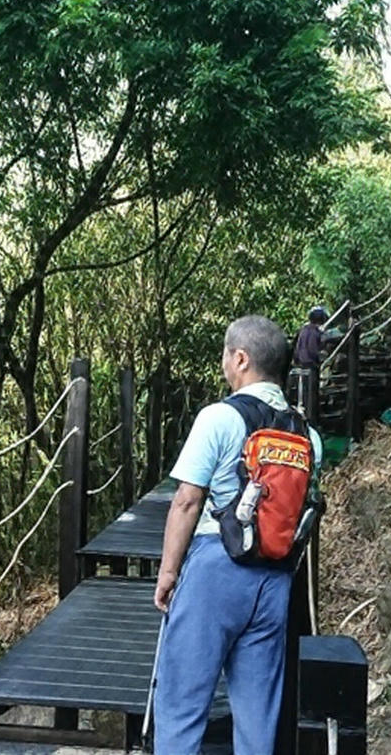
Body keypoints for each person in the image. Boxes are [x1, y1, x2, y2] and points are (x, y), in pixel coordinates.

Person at [153, 315, 323, 755]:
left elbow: (187, 501)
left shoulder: (218, 418)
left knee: (183, 699)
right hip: (275, 578)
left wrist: (168, 572)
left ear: (241, 358)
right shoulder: (309, 435)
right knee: (257, 709)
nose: (225, 364)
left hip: (216, 566)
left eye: (227, 355)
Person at [292, 305, 328, 371]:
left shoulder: (302, 330)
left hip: (299, 364)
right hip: (311, 365)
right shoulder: (316, 332)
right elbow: (313, 350)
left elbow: (295, 347)